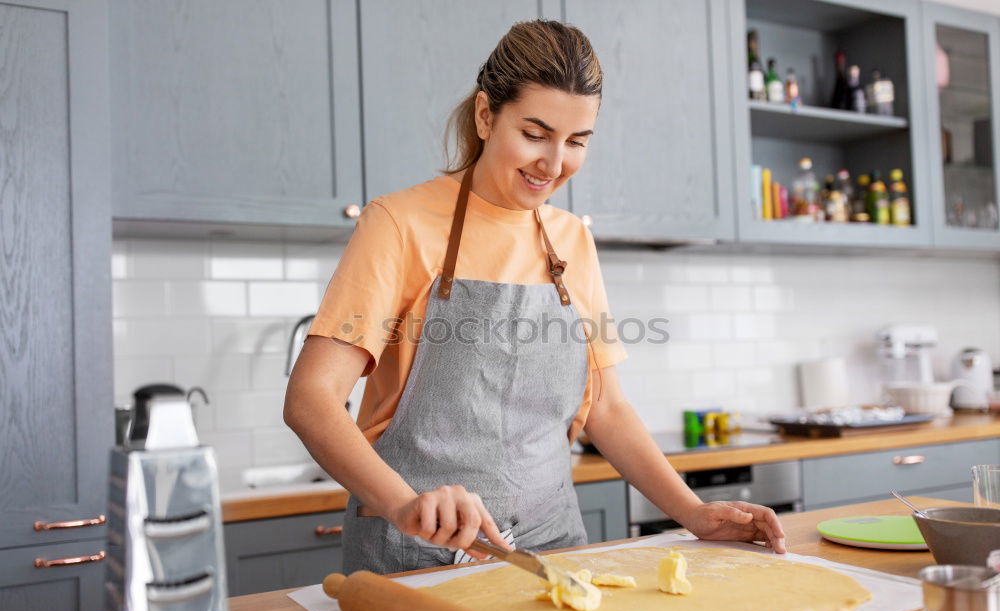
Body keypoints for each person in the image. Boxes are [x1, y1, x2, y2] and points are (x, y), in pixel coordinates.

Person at [284, 20, 786, 576]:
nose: (553, 164)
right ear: (484, 116)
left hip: (555, 550)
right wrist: (404, 504)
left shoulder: (573, 239)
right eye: (535, 134)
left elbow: (606, 407)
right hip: (419, 557)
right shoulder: (399, 223)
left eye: (576, 142)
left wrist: (693, 512)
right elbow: (311, 399)